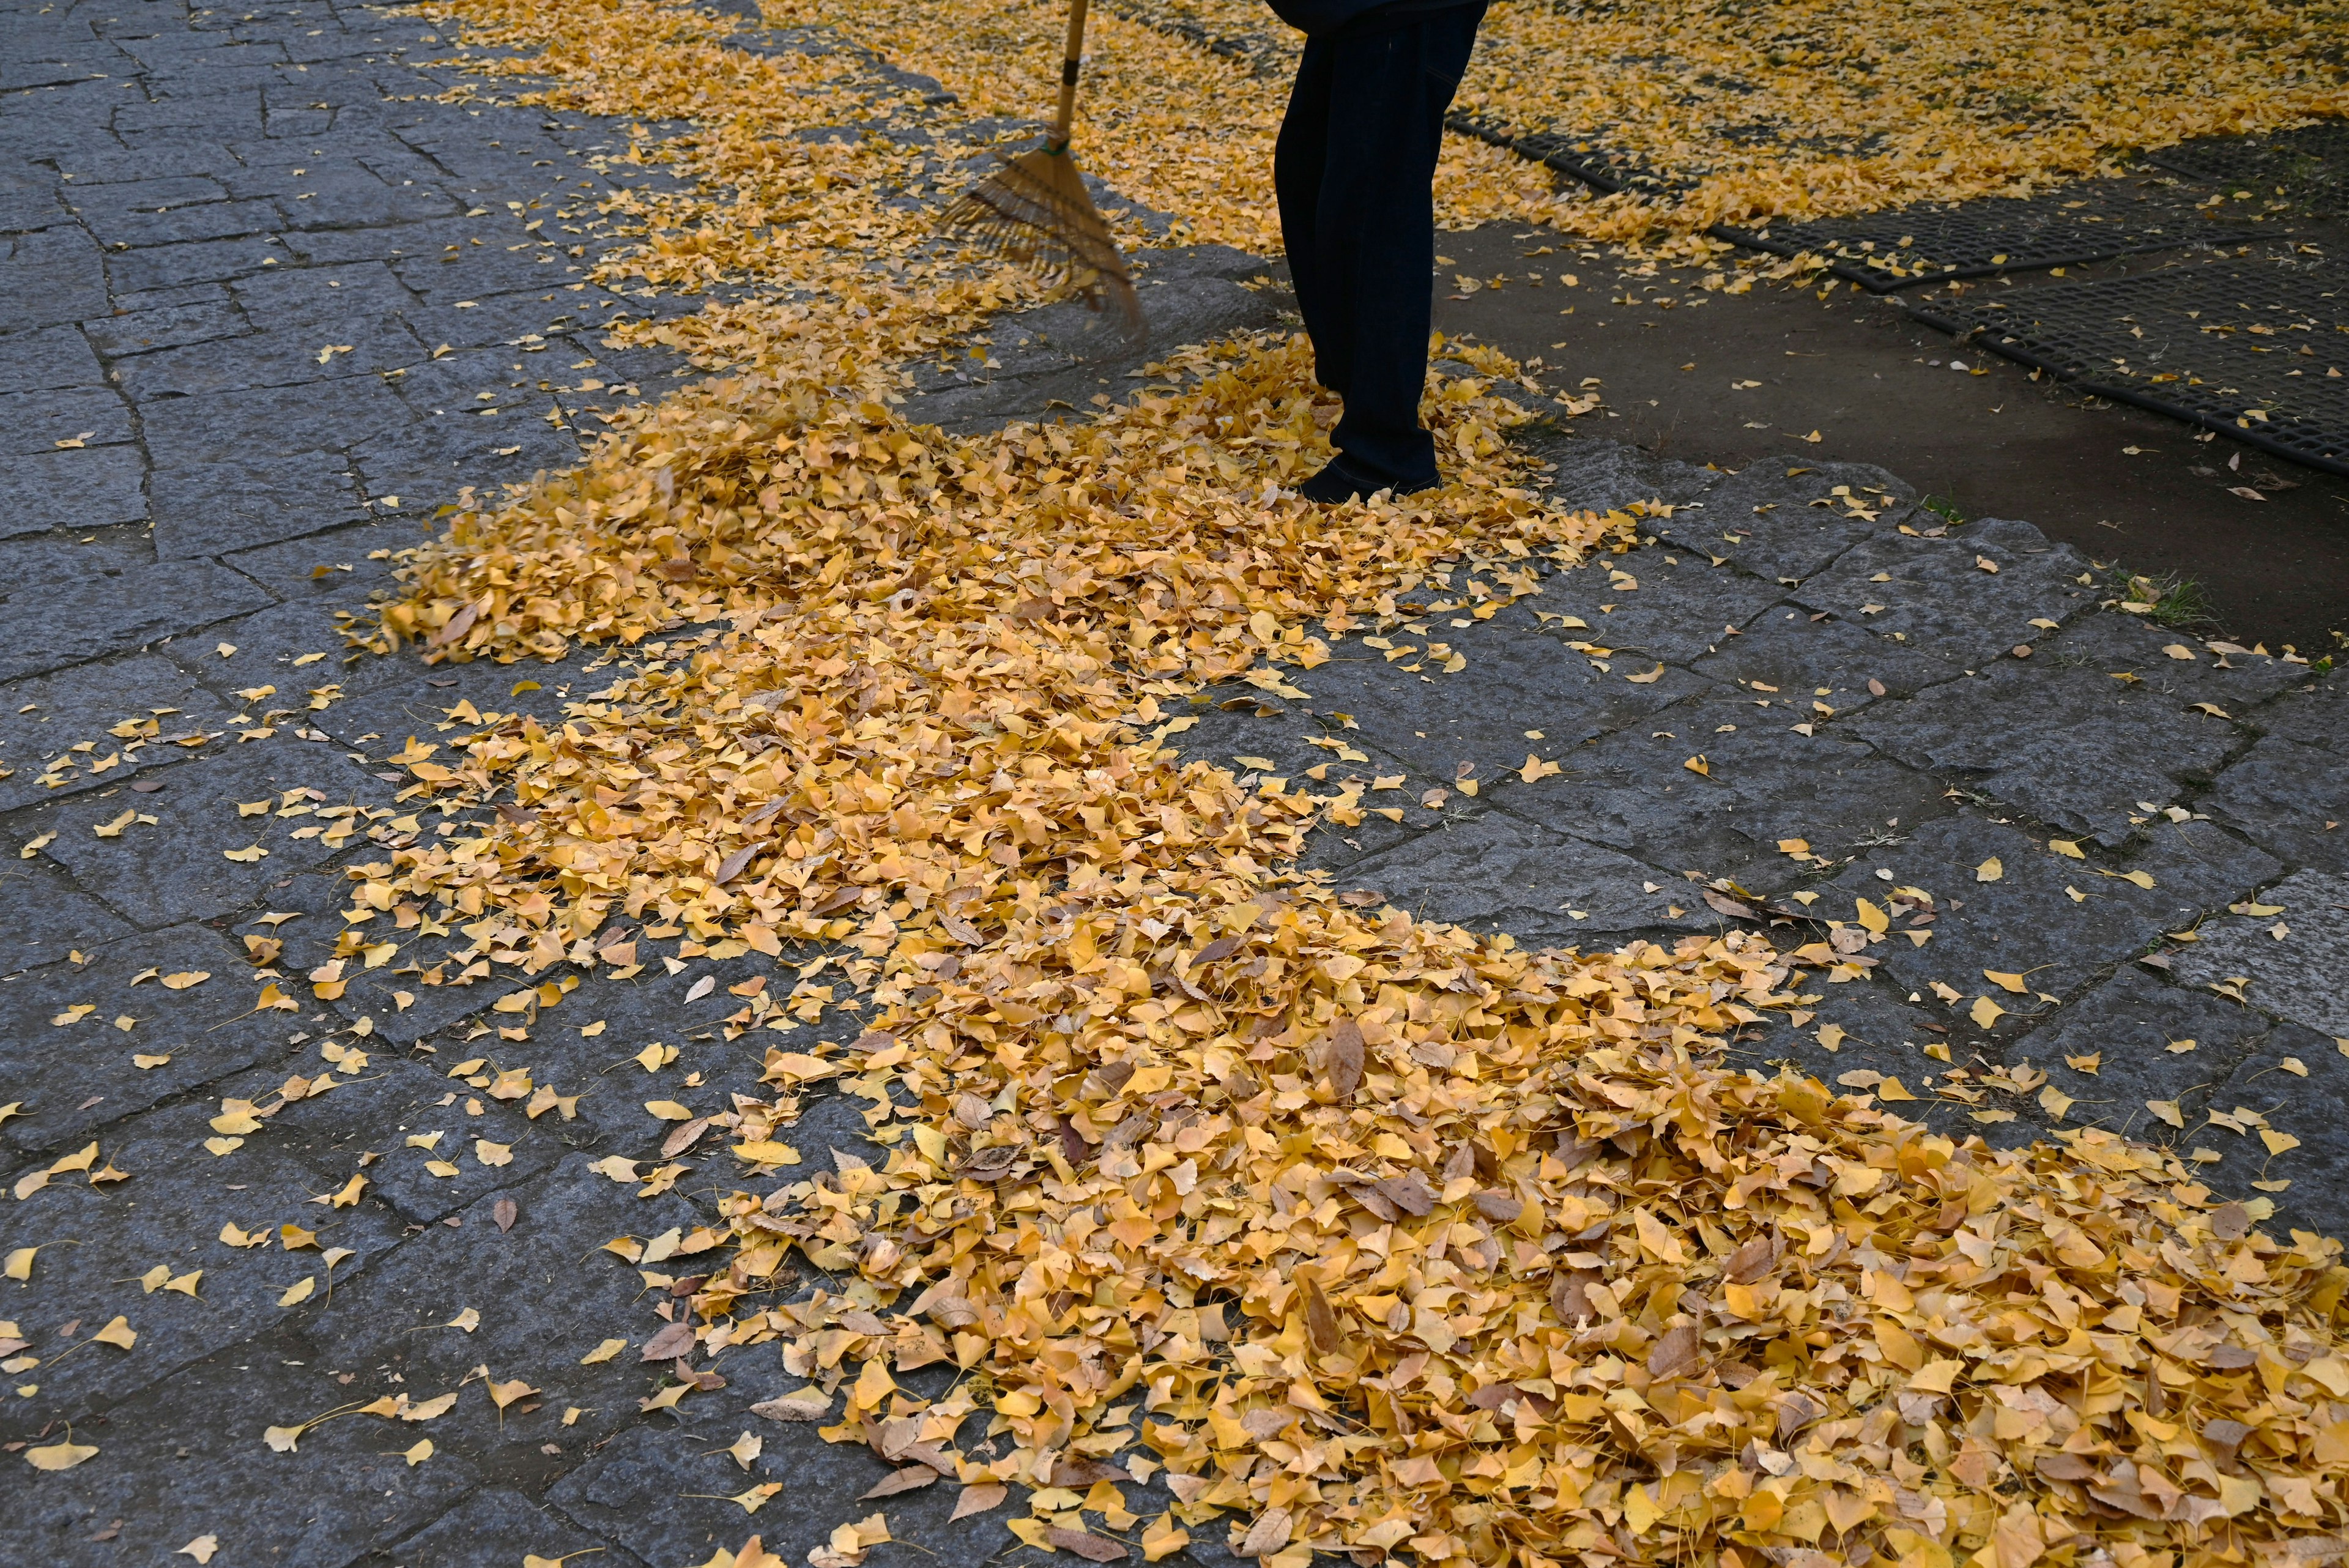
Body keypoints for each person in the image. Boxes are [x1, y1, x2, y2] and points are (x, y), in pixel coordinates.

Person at [1266, 0, 1488, 502]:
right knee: (1309, 170)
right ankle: (1360, 375)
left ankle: (1387, 456)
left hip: (1401, 14)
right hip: (1355, 16)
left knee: (1372, 217)